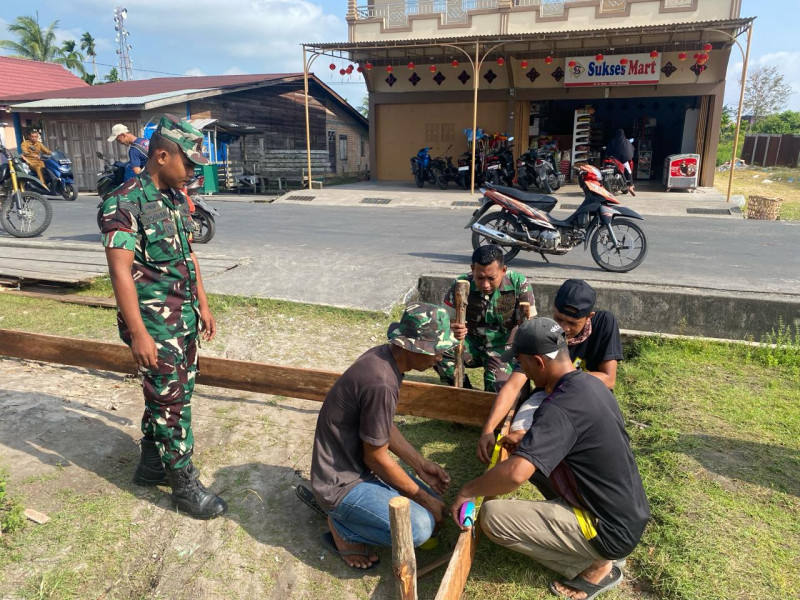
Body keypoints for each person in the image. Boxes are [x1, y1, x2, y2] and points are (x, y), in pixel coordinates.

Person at [451, 318, 650, 600]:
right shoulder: (591, 385)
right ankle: (595, 549)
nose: (524, 372)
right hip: (628, 512)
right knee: (530, 454)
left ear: (538, 362)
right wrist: (525, 441)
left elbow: (516, 474)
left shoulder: (559, 406)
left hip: (607, 528)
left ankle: (596, 566)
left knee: (493, 518)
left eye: (523, 364)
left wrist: (467, 490)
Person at [98, 114, 226, 520]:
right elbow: (120, 271)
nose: (192, 173)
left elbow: (188, 256)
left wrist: (203, 304)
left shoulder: (173, 198)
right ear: (162, 156)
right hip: (154, 325)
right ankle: (183, 483)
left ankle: (151, 463)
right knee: (172, 403)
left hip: (182, 318)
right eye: (188, 164)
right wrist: (138, 333)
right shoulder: (122, 203)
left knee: (178, 392)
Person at [310, 303, 456, 570]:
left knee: (433, 511)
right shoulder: (381, 381)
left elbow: (382, 425)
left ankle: (352, 517)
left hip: (361, 470)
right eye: (435, 349)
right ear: (411, 346)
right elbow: (376, 457)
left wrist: (420, 465)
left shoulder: (387, 360)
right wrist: (424, 499)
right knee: (421, 528)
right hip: (340, 484)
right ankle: (343, 528)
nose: (440, 356)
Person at [476, 279, 622, 465]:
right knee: (520, 432)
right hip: (548, 395)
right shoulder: (545, 333)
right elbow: (513, 386)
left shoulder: (604, 323)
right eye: (559, 319)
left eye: (573, 323)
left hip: (587, 396)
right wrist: (488, 428)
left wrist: (560, 380)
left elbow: (609, 379)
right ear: (553, 309)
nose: (564, 328)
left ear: (589, 317)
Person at [435, 244, 535, 392]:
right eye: (480, 278)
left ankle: (494, 384)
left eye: (491, 278)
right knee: (436, 347)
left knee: (498, 391)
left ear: (503, 270)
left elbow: (530, 324)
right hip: (471, 344)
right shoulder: (461, 285)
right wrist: (453, 327)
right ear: (472, 269)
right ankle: (465, 392)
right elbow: (443, 321)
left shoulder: (519, 284)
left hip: (503, 348)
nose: (486, 285)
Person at [605, 128, 635, 196]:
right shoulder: (627, 142)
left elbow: (607, 150)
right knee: (629, 171)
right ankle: (630, 186)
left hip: (613, 160)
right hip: (623, 160)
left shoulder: (612, 141)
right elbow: (632, 149)